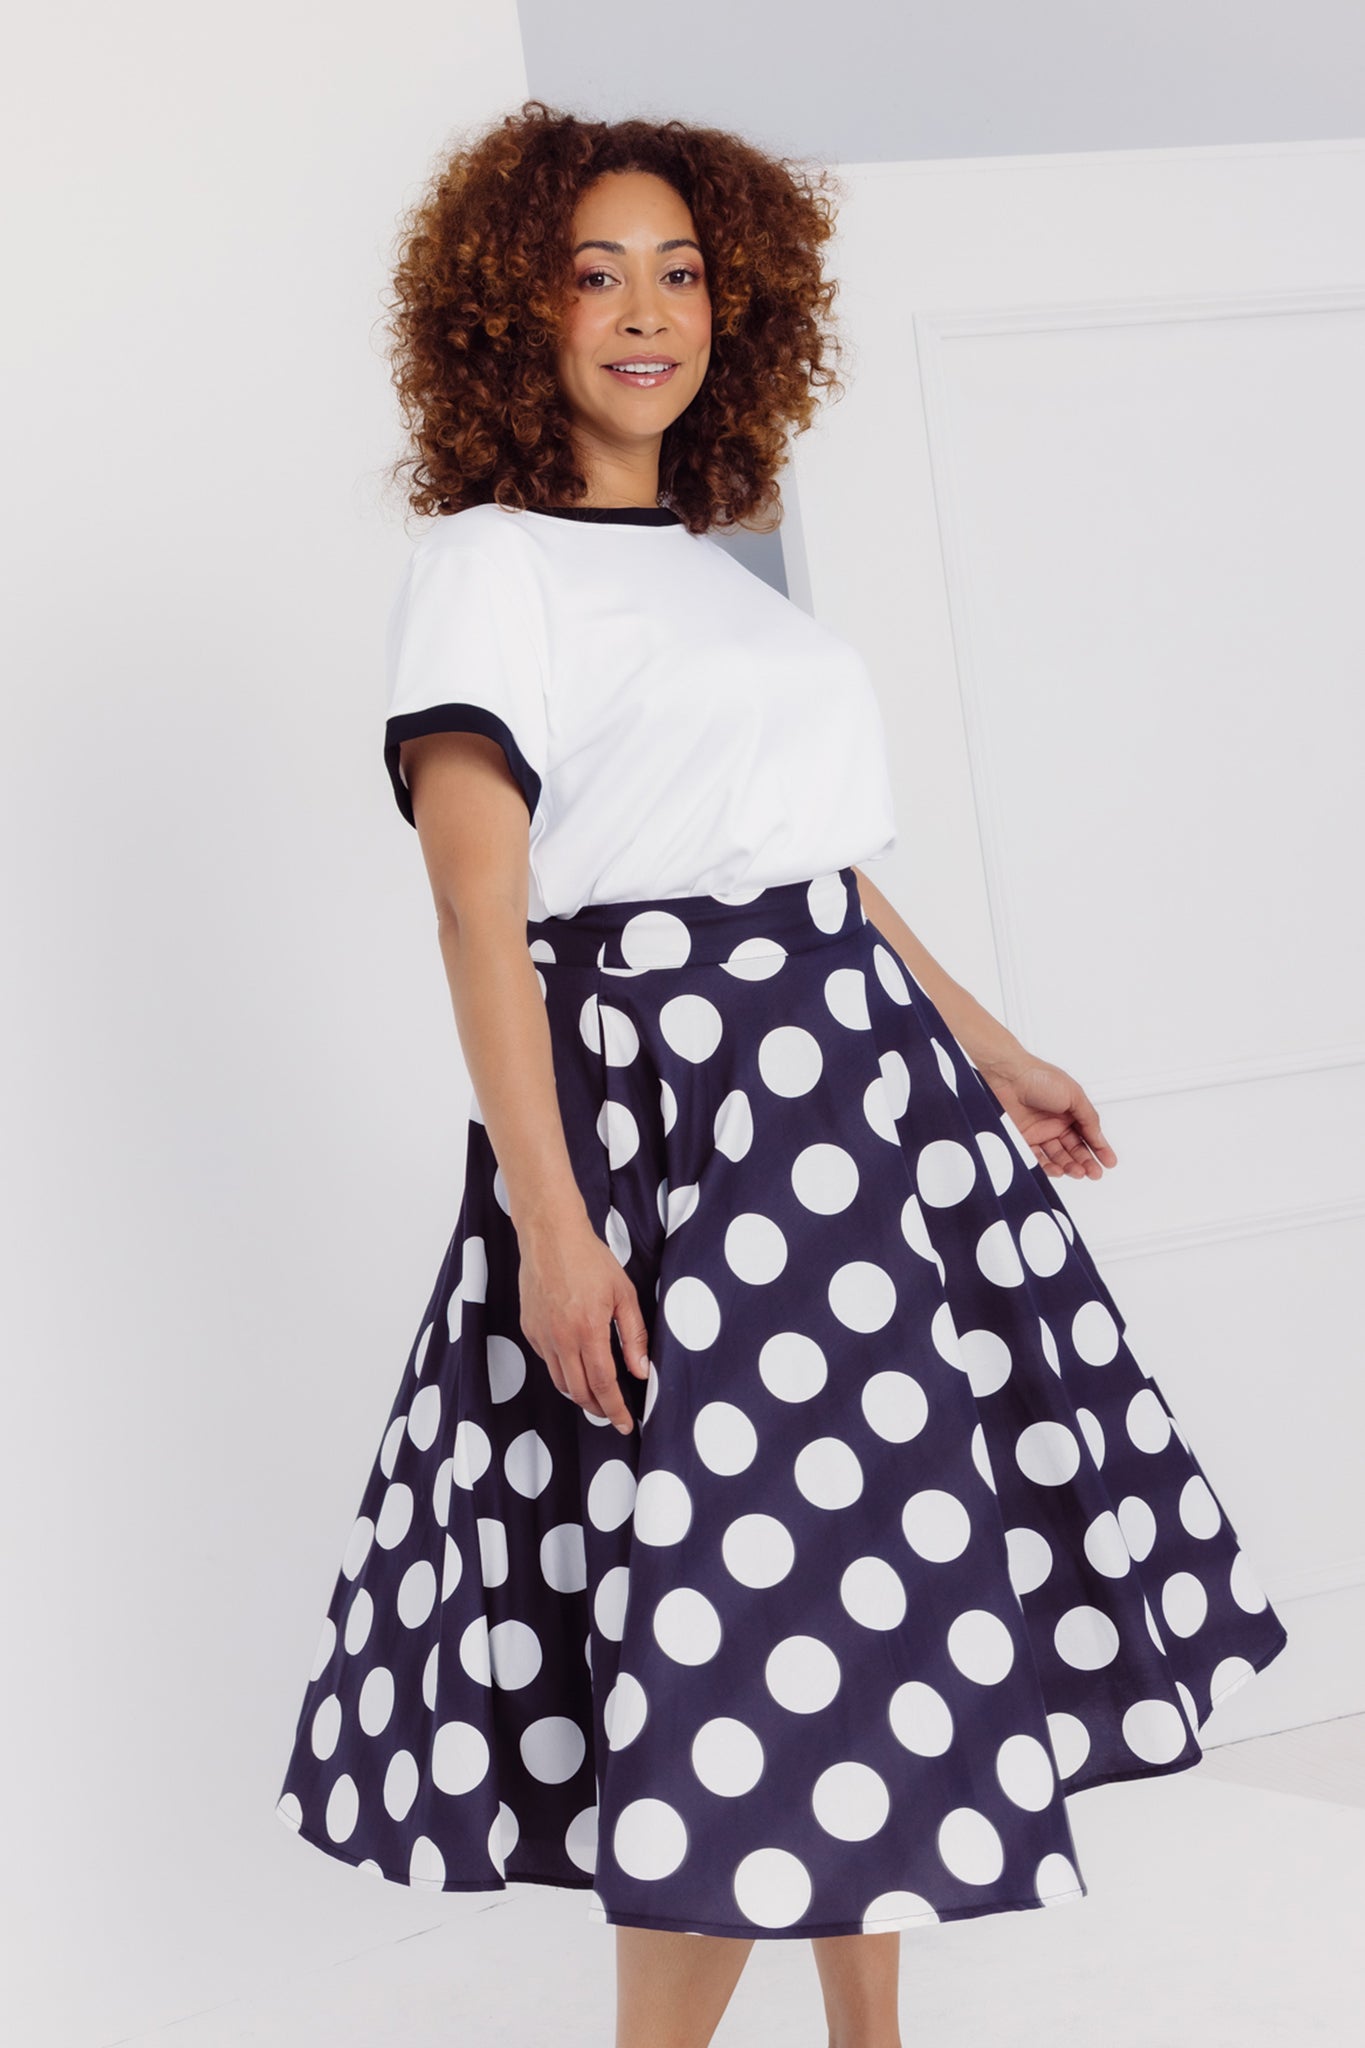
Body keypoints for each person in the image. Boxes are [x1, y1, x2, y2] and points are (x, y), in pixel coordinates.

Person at [274, 100, 1290, 2048]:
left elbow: (804, 863)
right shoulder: (487, 569)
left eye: (681, 271)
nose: (646, 313)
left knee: (873, 1593)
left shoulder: (705, 568)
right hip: (687, 1144)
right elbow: (482, 927)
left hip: (857, 1116)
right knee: (741, 1633)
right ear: (514, 312)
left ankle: (866, 2040)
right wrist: (555, 1232)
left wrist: (983, 1046)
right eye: (595, 273)